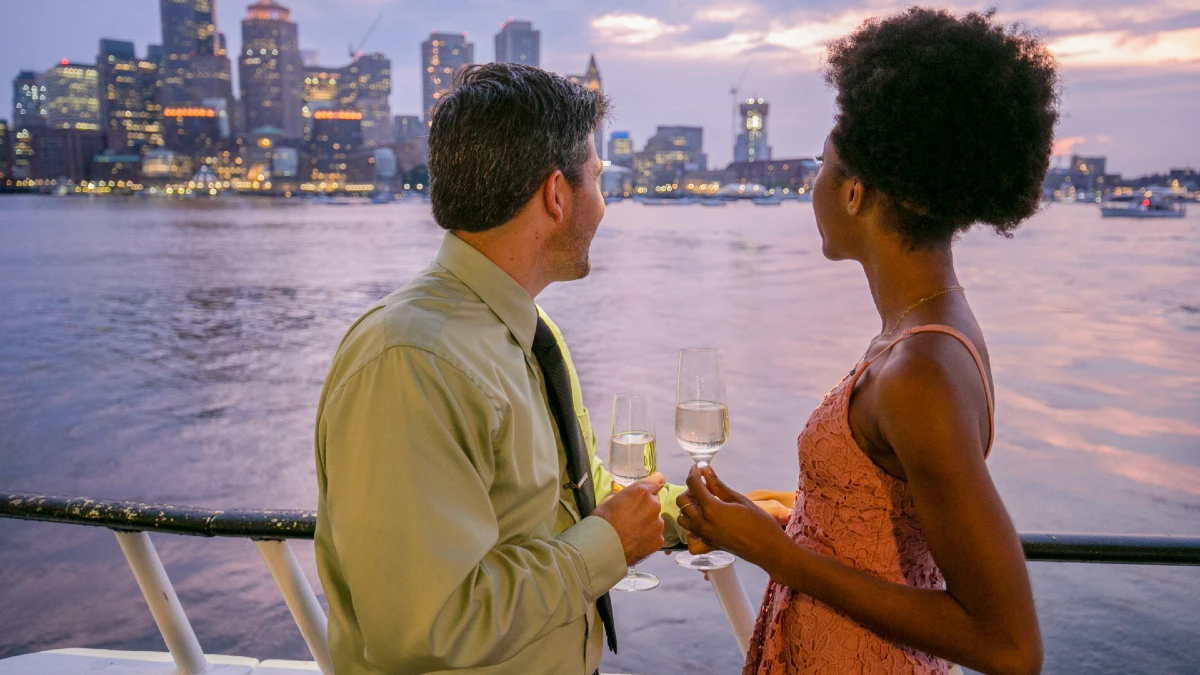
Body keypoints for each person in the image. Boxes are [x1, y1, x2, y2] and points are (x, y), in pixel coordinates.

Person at [675, 8, 1058, 675]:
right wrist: (800, 517)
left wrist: (780, 555)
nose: (811, 188)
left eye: (819, 169)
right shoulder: (921, 329)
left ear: (855, 192)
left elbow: (1010, 645)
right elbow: (895, 518)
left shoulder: (921, 371)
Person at [313, 63, 688, 674]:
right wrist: (608, 547)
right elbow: (425, 629)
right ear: (557, 195)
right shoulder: (409, 361)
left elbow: (572, 492)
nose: (605, 202)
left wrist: (705, 512)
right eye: (597, 179)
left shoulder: (529, 334)